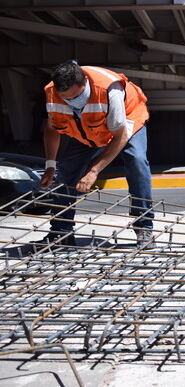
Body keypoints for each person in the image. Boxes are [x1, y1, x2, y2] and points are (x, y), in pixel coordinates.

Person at [36, 60, 155, 248]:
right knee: (66, 171)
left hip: (126, 121)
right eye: (66, 98)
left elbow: (119, 137)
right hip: (88, 129)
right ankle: (61, 232)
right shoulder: (52, 93)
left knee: (137, 162)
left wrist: (93, 172)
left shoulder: (109, 90)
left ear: (85, 81)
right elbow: (51, 129)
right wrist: (50, 166)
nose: (72, 102)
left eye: (77, 96)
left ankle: (144, 227)